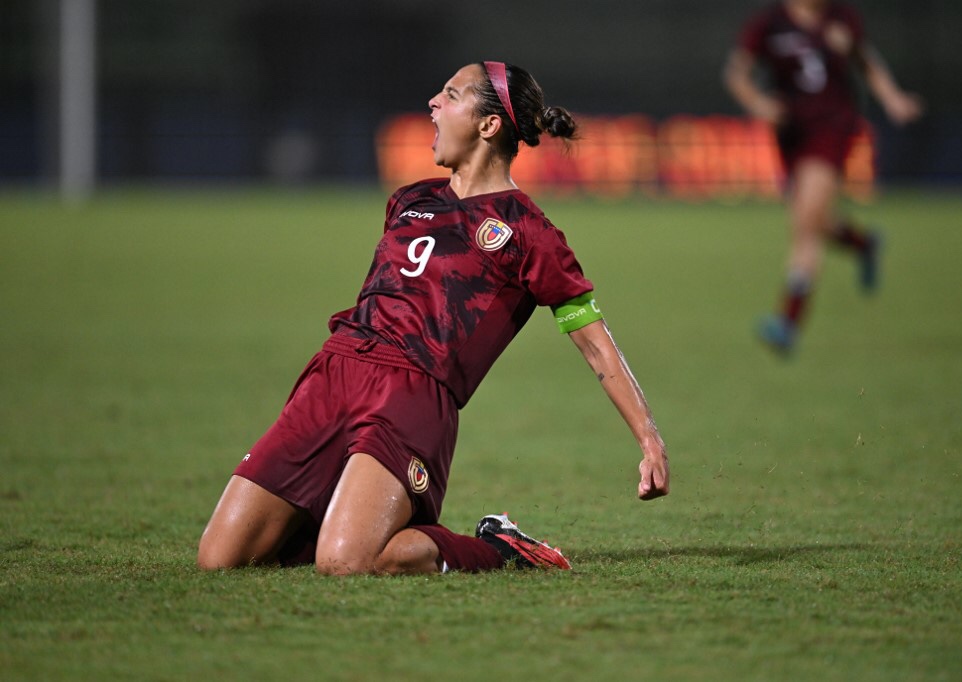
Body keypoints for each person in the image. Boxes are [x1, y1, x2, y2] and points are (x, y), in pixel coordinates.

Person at [197, 62, 670, 576]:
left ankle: (499, 549)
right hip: (332, 374)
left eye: (451, 94)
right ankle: (341, 521)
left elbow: (596, 344)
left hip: (412, 395)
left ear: (488, 124)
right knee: (219, 559)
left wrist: (649, 440)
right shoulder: (411, 199)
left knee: (345, 563)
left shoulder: (529, 232)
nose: (433, 103)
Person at [723, 0, 923, 354]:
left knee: (804, 224)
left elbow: (865, 61)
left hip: (833, 127)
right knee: (816, 219)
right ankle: (864, 244)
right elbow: (736, 73)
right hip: (791, 133)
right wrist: (758, 103)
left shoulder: (841, 18)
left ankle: (787, 322)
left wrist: (892, 98)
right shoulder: (770, 23)